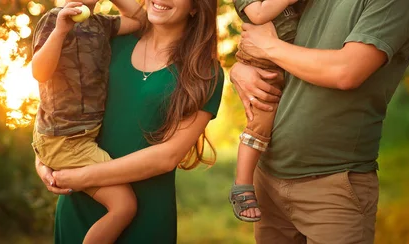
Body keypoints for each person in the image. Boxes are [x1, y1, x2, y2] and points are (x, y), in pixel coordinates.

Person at [230, 0, 409, 242]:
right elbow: (276, 35)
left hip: (332, 187)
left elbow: (346, 71)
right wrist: (241, 67)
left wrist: (268, 47)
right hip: (268, 177)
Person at [34, 0, 224, 242]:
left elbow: (168, 156)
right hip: (81, 201)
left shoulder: (204, 72)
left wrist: (81, 177)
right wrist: (43, 158)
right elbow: (59, 97)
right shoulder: (111, 40)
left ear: (196, 6)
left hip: (144, 211)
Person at [31, 0, 144, 243]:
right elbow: (39, 72)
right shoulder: (54, 19)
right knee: (124, 206)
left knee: (123, 206)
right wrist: (61, 30)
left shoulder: (102, 23)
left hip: (77, 137)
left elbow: (141, 19)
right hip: (66, 140)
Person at [229, 0, 305, 222]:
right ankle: (242, 185)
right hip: (262, 65)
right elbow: (259, 14)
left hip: (287, 59)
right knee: (260, 123)